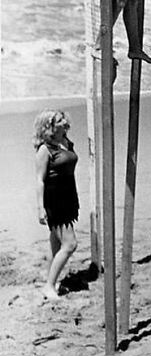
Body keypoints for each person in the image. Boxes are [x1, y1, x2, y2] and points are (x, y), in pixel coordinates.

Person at [34, 110, 80, 299]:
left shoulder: (66, 142)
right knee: (70, 244)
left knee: (56, 241)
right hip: (54, 199)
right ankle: (49, 286)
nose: (64, 121)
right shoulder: (45, 149)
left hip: (69, 195)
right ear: (50, 126)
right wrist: (40, 208)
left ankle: (51, 277)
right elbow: (40, 180)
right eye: (59, 120)